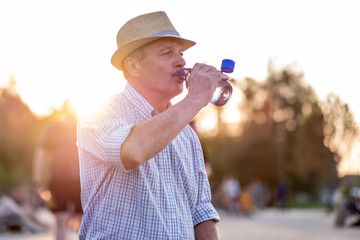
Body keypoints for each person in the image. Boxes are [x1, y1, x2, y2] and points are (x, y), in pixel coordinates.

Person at [77, 11, 230, 239]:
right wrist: (195, 98)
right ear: (133, 66)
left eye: (180, 52)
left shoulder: (187, 135)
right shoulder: (99, 114)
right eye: (167, 53)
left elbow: (201, 212)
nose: (182, 61)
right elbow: (133, 151)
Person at [33, 107, 82, 240]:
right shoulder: (53, 130)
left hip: (79, 179)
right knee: (61, 219)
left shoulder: (81, 124)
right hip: (59, 180)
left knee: (80, 219)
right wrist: (38, 181)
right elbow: (41, 154)